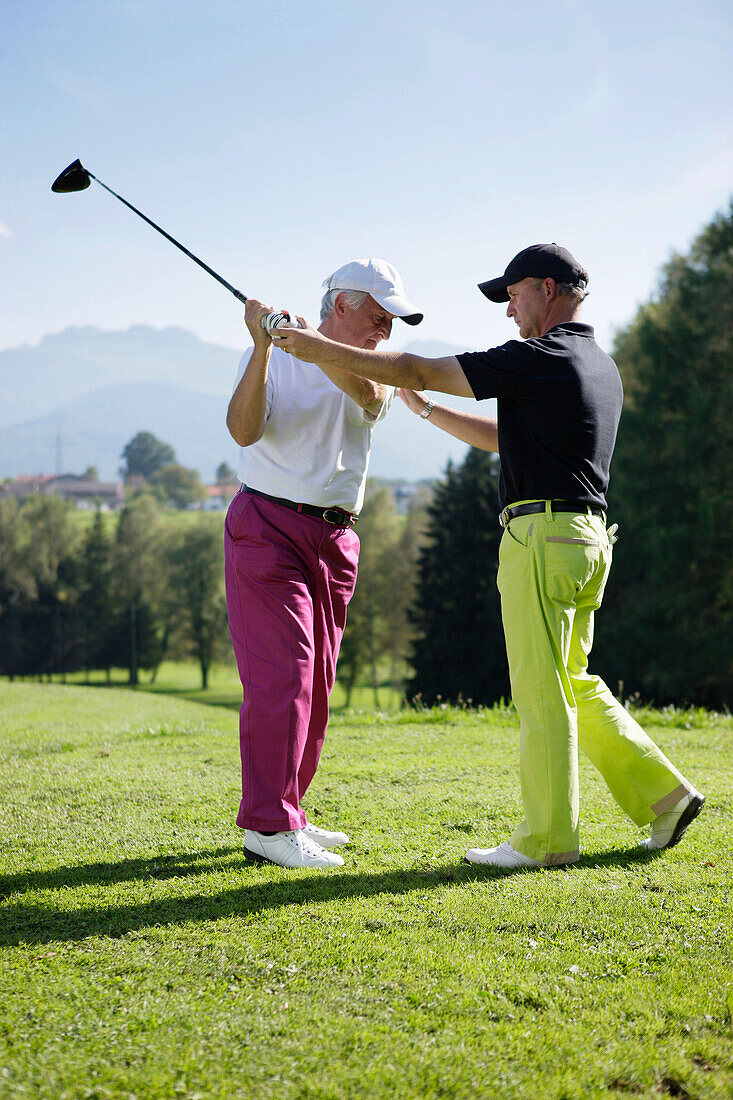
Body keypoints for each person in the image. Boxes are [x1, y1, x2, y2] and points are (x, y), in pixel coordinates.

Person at [272, 243, 705, 870]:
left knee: (542, 692)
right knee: (575, 682)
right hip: (587, 541)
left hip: (542, 540)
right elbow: (506, 440)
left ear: (546, 288)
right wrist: (425, 412)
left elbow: (417, 367)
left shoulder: (539, 357)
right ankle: (665, 797)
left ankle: (547, 838)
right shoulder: (597, 365)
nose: (507, 310)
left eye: (513, 294)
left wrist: (314, 347)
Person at [225, 259, 422, 869]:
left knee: (316, 683)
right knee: (284, 672)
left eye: (393, 320)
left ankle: (288, 812)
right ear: (343, 304)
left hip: (335, 538)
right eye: (378, 315)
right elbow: (242, 430)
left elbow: (368, 396)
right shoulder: (276, 353)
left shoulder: (375, 367)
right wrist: (264, 348)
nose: (386, 330)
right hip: (267, 527)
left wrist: (306, 346)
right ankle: (268, 824)